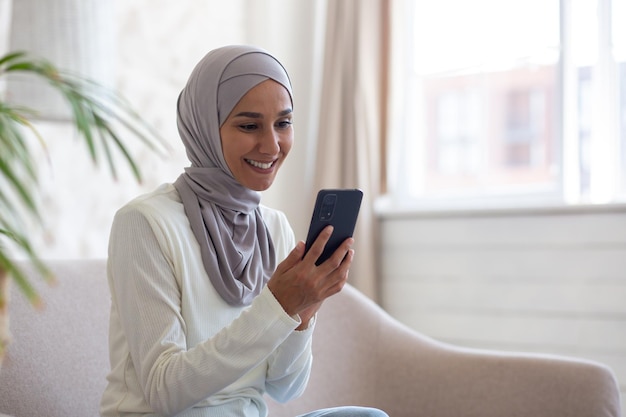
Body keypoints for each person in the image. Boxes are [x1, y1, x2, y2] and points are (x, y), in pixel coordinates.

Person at [100, 45, 388, 417]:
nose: (272, 145)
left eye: (283, 123)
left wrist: (303, 311)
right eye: (249, 125)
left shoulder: (273, 228)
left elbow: (284, 388)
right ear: (205, 125)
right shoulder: (145, 223)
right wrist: (278, 304)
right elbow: (164, 389)